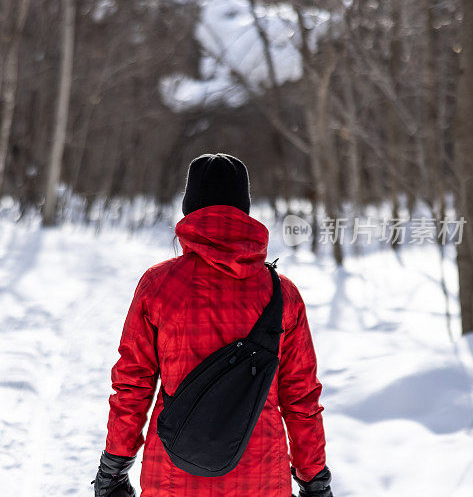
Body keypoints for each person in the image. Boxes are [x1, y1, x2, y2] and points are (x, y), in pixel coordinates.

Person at [92, 154, 332, 497]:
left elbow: (133, 385)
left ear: (190, 209)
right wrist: (314, 479)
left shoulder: (158, 284)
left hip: (173, 476)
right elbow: (301, 398)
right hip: (262, 477)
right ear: (244, 210)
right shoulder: (283, 294)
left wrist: (114, 466)